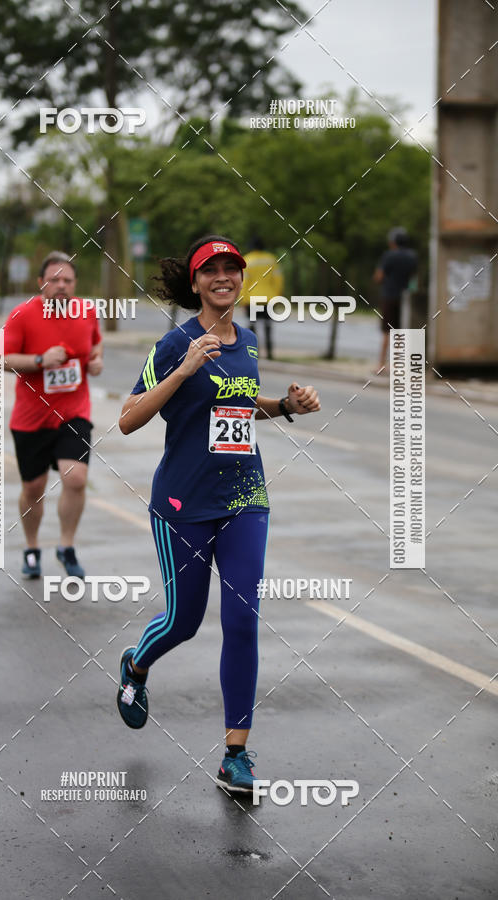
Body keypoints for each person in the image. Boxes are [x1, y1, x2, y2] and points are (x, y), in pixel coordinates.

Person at [116, 235, 320, 793]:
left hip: (244, 497)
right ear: (196, 282)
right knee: (184, 621)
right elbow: (129, 418)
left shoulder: (248, 341)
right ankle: (136, 665)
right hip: (183, 504)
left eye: (233, 269)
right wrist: (181, 371)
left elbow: (239, 405)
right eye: (212, 271)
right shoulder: (172, 343)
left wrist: (284, 406)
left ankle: (236, 754)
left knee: (242, 618)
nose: (224, 278)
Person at [3, 251, 103, 579]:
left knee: (75, 478)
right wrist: (39, 360)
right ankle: (32, 548)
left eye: (67, 280)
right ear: (40, 283)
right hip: (31, 418)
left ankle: (66, 545)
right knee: (33, 488)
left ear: (74, 284)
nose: (61, 285)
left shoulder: (87, 312)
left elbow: (95, 346)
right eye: (54, 279)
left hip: (73, 413)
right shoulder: (22, 315)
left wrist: (96, 361)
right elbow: (1, 360)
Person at [373, 227, 418, 371]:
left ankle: (381, 364)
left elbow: (378, 277)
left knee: (387, 331)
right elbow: (414, 277)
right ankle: (397, 365)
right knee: (400, 332)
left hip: (389, 296)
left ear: (393, 242)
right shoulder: (412, 256)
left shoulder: (389, 256)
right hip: (406, 298)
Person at [238, 236, 284, 360]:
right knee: (268, 326)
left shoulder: (247, 260)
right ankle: (270, 354)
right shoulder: (271, 260)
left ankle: (253, 354)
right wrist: (277, 296)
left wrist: (243, 299)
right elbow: (278, 280)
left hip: (252, 299)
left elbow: (244, 282)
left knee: (252, 327)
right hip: (269, 298)